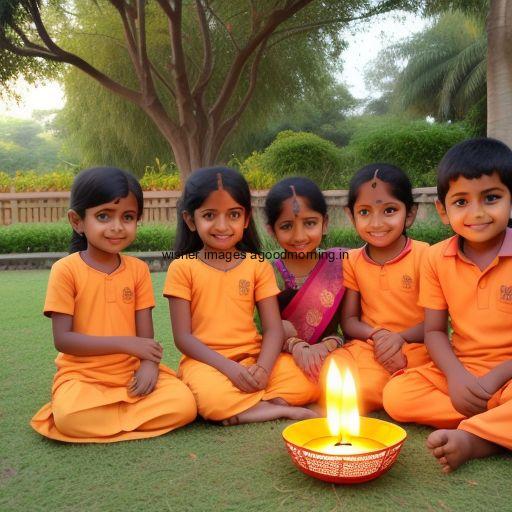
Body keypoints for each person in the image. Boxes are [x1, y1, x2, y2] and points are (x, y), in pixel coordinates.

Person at [31, 167, 197, 443]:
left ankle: (112, 419)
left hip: (130, 374)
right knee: (69, 415)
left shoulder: (138, 270)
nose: (117, 226)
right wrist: (126, 344)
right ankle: (130, 417)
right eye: (104, 216)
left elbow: (145, 339)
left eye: (128, 217)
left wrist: (148, 365)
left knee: (184, 403)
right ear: (77, 221)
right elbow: (63, 340)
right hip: (83, 377)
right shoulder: (65, 270)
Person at [383, 138, 512, 472]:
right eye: (461, 201)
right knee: (397, 395)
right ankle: (497, 422)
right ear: (443, 210)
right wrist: (456, 379)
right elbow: (435, 331)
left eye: (492, 198)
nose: (477, 212)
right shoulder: (436, 257)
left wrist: (493, 380)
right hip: (462, 369)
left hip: (508, 374)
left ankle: (475, 438)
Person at [164, 167, 319, 425]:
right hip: (206, 363)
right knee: (213, 398)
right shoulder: (182, 268)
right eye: (210, 215)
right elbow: (183, 338)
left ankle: (246, 408)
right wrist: (230, 369)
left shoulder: (257, 266)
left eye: (233, 214)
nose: (223, 226)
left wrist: (263, 370)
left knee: (309, 382)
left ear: (246, 219)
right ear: (191, 220)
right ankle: (277, 409)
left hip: (253, 358)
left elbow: (272, 330)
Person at [322, 163, 431, 413]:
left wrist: (398, 339)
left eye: (389, 210)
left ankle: (393, 390)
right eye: (364, 212)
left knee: (414, 376)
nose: (377, 222)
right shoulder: (352, 260)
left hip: (414, 348)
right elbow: (349, 321)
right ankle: (381, 392)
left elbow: (435, 323)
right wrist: (377, 336)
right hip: (369, 346)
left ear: (410, 214)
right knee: (332, 368)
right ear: (351, 216)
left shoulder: (426, 255)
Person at [264, 177, 346, 383]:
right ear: (271, 231)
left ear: (324, 223)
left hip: (332, 350)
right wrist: (296, 346)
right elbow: (263, 330)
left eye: (309, 223)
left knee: (347, 372)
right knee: (285, 381)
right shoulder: (266, 273)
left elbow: (352, 326)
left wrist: (325, 347)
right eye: (286, 226)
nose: (299, 236)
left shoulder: (341, 264)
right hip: (287, 355)